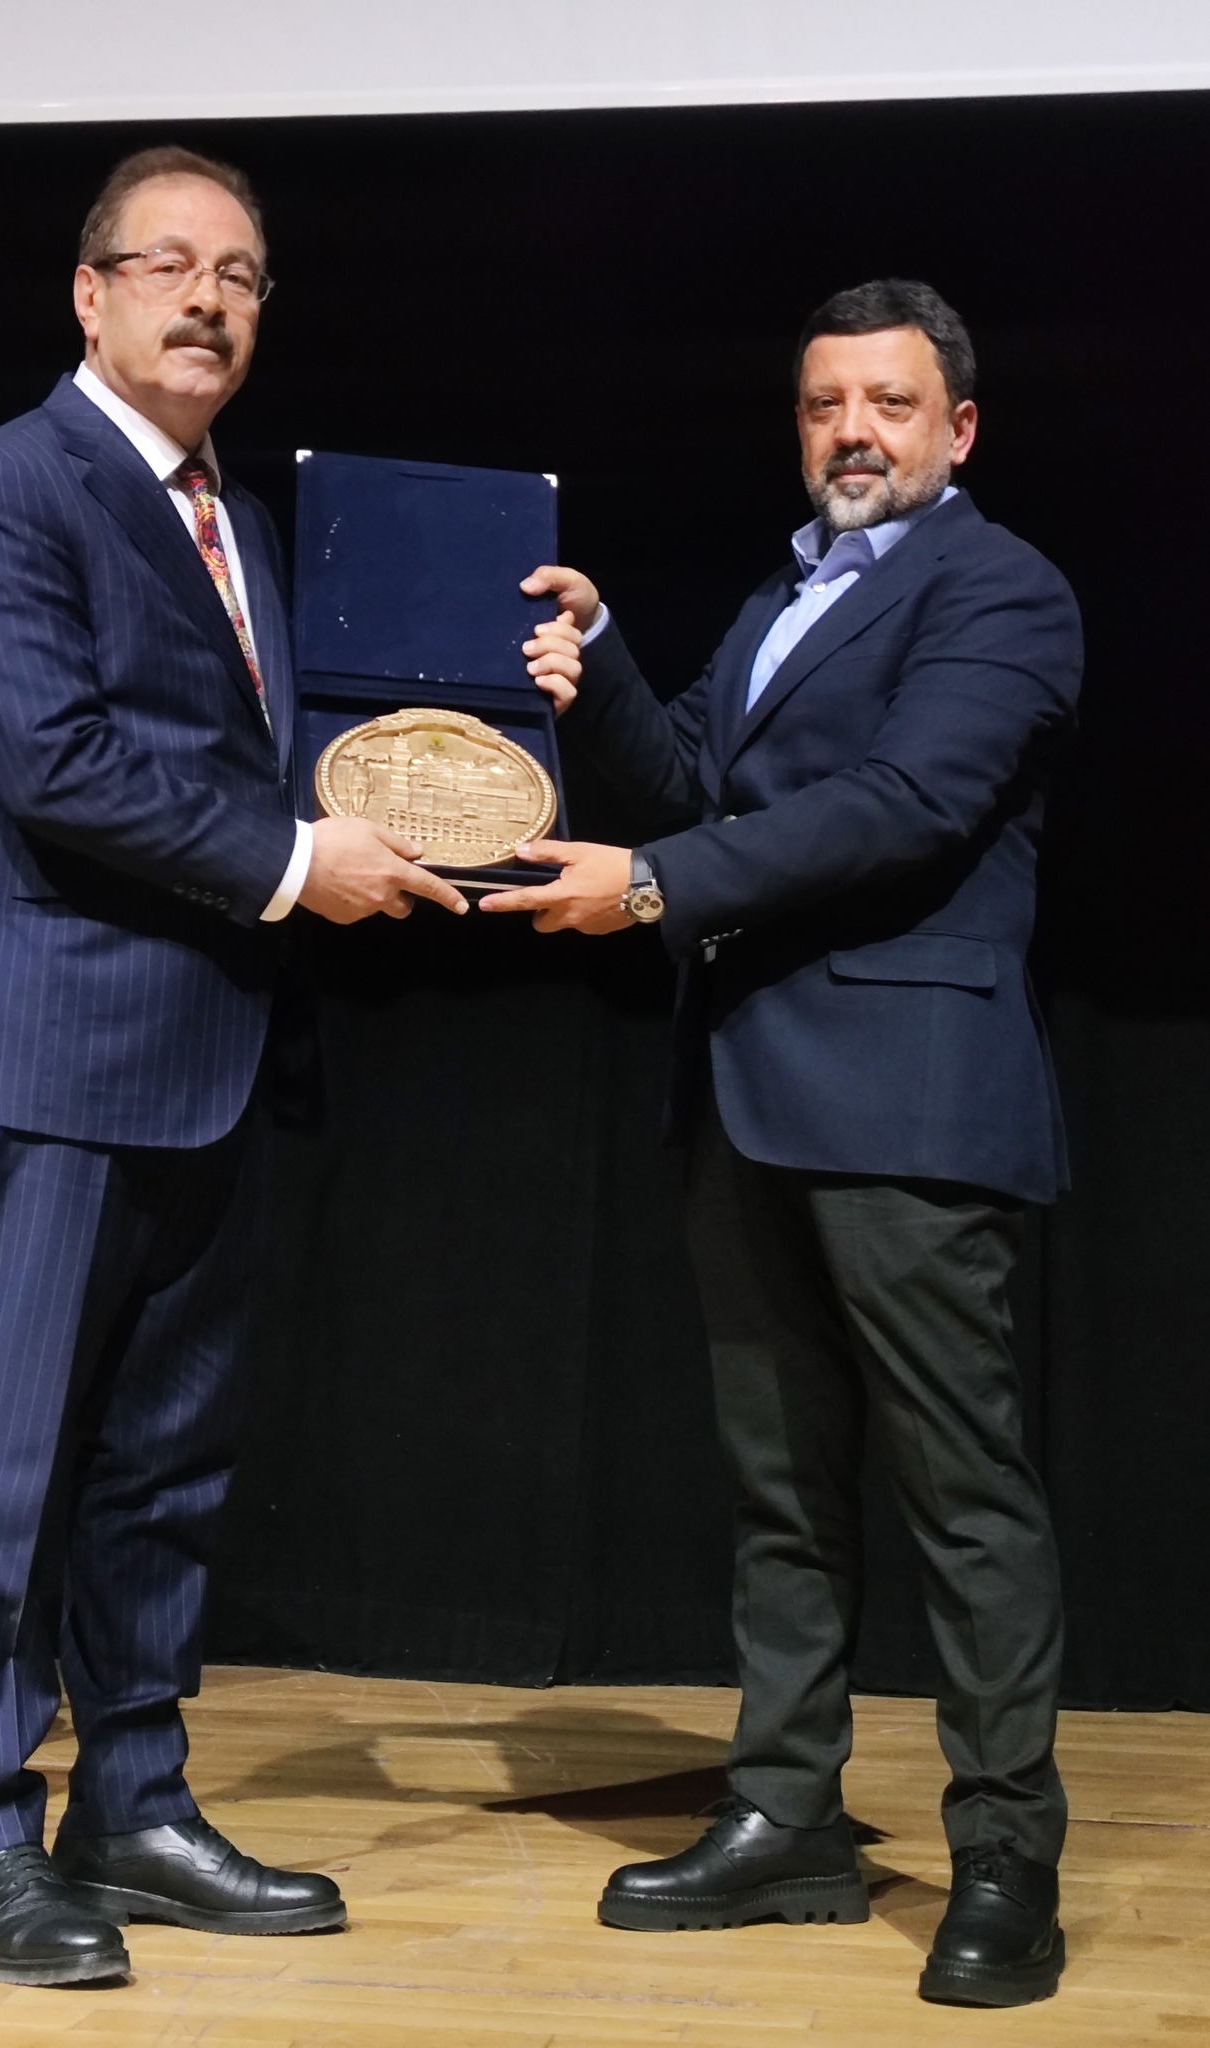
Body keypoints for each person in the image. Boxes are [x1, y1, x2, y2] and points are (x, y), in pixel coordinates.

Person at [0, 144, 580, 1988]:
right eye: (170, 265)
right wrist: (295, 864)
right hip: (52, 1051)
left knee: (165, 1473)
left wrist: (517, 697)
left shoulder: (250, 527)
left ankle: (133, 1806)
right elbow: (51, 762)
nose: (207, 300)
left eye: (242, 276)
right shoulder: (6, 486)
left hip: (213, 1051)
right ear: (89, 293)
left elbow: (302, 757)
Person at [493, 279, 1081, 2010]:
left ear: (958, 426)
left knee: (963, 1494)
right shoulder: (783, 596)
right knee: (782, 1491)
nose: (853, 433)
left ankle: (1007, 1854)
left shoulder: (1003, 588)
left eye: (889, 404)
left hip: (908, 1100)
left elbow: (907, 805)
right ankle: (786, 1815)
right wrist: (599, 665)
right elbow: (694, 779)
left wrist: (651, 890)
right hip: (749, 1090)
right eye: (827, 405)